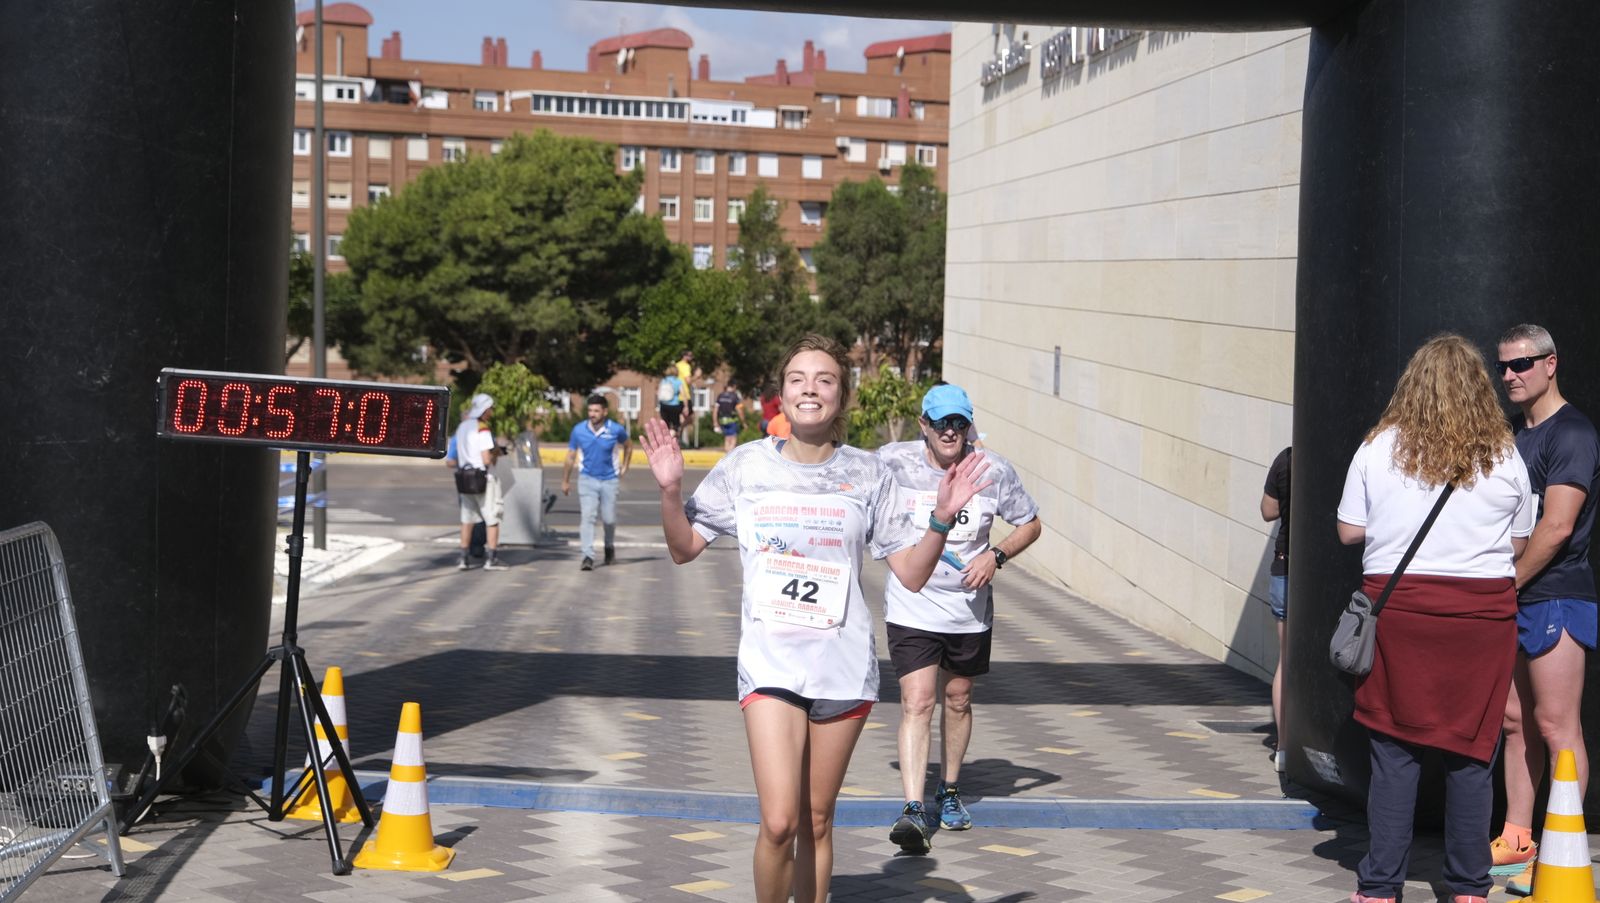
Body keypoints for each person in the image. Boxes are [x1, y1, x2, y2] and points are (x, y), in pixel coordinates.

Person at [640, 334, 991, 903]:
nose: (810, 387)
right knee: (779, 822)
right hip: (771, 664)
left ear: (841, 397)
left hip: (842, 667)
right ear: (780, 394)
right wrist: (670, 490)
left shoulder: (869, 474)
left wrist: (942, 520)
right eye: (798, 378)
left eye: (825, 379)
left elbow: (913, 573)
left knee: (817, 820)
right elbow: (684, 548)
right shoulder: (747, 465)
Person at [1337, 334, 1533, 903]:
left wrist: (1396, 527)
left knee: (1394, 753)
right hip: (1481, 621)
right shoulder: (1503, 453)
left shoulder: (1378, 448)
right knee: (1472, 755)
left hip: (1399, 614)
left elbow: (1349, 530)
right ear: (1480, 387)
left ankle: (1379, 888)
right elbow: (1518, 544)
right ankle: (1470, 888)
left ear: (1412, 384)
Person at [878, 383, 1040, 854]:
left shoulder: (993, 469)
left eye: (959, 422)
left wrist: (996, 555)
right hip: (912, 603)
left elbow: (1031, 523)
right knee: (917, 701)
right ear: (923, 425)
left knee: (959, 699)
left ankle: (948, 791)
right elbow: (845, 474)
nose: (950, 431)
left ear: (969, 426)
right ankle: (912, 808)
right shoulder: (893, 461)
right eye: (941, 422)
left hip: (968, 609)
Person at [1492, 323, 1600, 894]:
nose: (1510, 375)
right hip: (1516, 596)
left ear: (1551, 364)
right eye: (1504, 366)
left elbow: (1556, 527)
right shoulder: (1513, 437)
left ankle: (1562, 855)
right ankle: (1516, 857)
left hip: (1556, 593)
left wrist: (1504, 587)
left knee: (1557, 726)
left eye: (1523, 364)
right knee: (1514, 725)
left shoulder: (1573, 433)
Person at [562, 394, 632, 571]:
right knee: (588, 517)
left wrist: (624, 467)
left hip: (609, 480)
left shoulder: (616, 430)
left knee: (609, 519)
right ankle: (587, 556)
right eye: (590, 410)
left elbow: (629, 446)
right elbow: (571, 456)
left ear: (605, 412)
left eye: (596, 410)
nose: (592, 414)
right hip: (587, 479)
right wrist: (565, 480)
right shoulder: (578, 430)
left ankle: (609, 547)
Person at [1260, 446, 1291, 771]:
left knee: (1286, 660)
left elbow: (1268, 511)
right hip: (1321, 572)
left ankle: (1283, 747)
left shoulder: (1286, 459)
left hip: (1285, 568)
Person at [453, 393, 507, 571]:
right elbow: (485, 459)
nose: (491, 412)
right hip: (482, 479)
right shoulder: (482, 428)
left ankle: (463, 557)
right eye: (490, 408)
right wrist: (496, 452)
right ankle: (492, 558)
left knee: (467, 519)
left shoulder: (462, 427)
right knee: (492, 518)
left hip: (464, 478)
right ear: (485, 409)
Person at [676, 350, 700, 446]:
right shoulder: (686, 366)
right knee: (690, 418)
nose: (691, 358)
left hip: (677, 394)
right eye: (690, 356)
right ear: (685, 356)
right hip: (685, 394)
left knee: (682, 417)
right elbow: (688, 381)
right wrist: (697, 376)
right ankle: (678, 431)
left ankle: (678, 433)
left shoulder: (677, 365)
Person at [716, 380, 747, 454]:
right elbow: (739, 410)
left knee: (727, 438)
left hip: (722, 420)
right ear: (734, 386)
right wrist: (743, 422)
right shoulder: (734, 396)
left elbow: (715, 410)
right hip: (732, 420)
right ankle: (730, 456)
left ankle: (726, 454)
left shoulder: (720, 395)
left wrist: (715, 422)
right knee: (733, 439)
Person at [657, 365, 685, 441]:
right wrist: (686, 406)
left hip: (663, 405)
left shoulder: (663, 380)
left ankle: (666, 439)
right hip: (674, 405)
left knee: (666, 424)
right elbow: (683, 394)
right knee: (676, 425)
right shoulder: (678, 381)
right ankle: (671, 437)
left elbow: (658, 393)